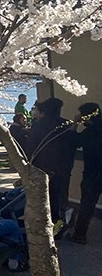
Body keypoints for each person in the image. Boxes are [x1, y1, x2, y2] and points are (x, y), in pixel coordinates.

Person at [28, 97, 77, 229]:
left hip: (41, 167)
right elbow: (73, 144)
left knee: (44, 196)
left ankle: (44, 223)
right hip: (62, 168)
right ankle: (58, 224)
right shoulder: (66, 125)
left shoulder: (38, 126)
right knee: (60, 196)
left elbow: (30, 147)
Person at [71, 102, 102, 244]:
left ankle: (80, 235)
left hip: (92, 174)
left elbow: (73, 142)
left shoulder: (89, 132)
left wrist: (74, 124)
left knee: (87, 205)